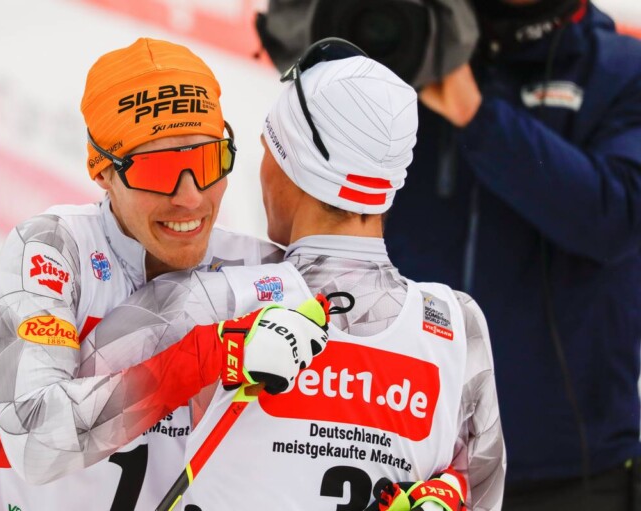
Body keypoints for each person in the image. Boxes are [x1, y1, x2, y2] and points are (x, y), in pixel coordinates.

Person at [77, 39, 505, 510]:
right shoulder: (456, 327)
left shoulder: (208, 299)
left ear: (287, 168)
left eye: (267, 150)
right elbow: (482, 489)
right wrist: (448, 493)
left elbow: (58, 428)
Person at [0, 37, 328, 511]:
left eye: (206, 161)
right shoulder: (54, 248)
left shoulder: (260, 268)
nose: (191, 198)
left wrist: (435, 483)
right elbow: (38, 443)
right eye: (159, 171)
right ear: (102, 172)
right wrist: (217, 353)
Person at [383, 0, 641, 509]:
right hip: (410, 459)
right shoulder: (408, 53)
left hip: (573, 474)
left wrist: (477, 117)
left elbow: (616, 219)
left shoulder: (623, 70)